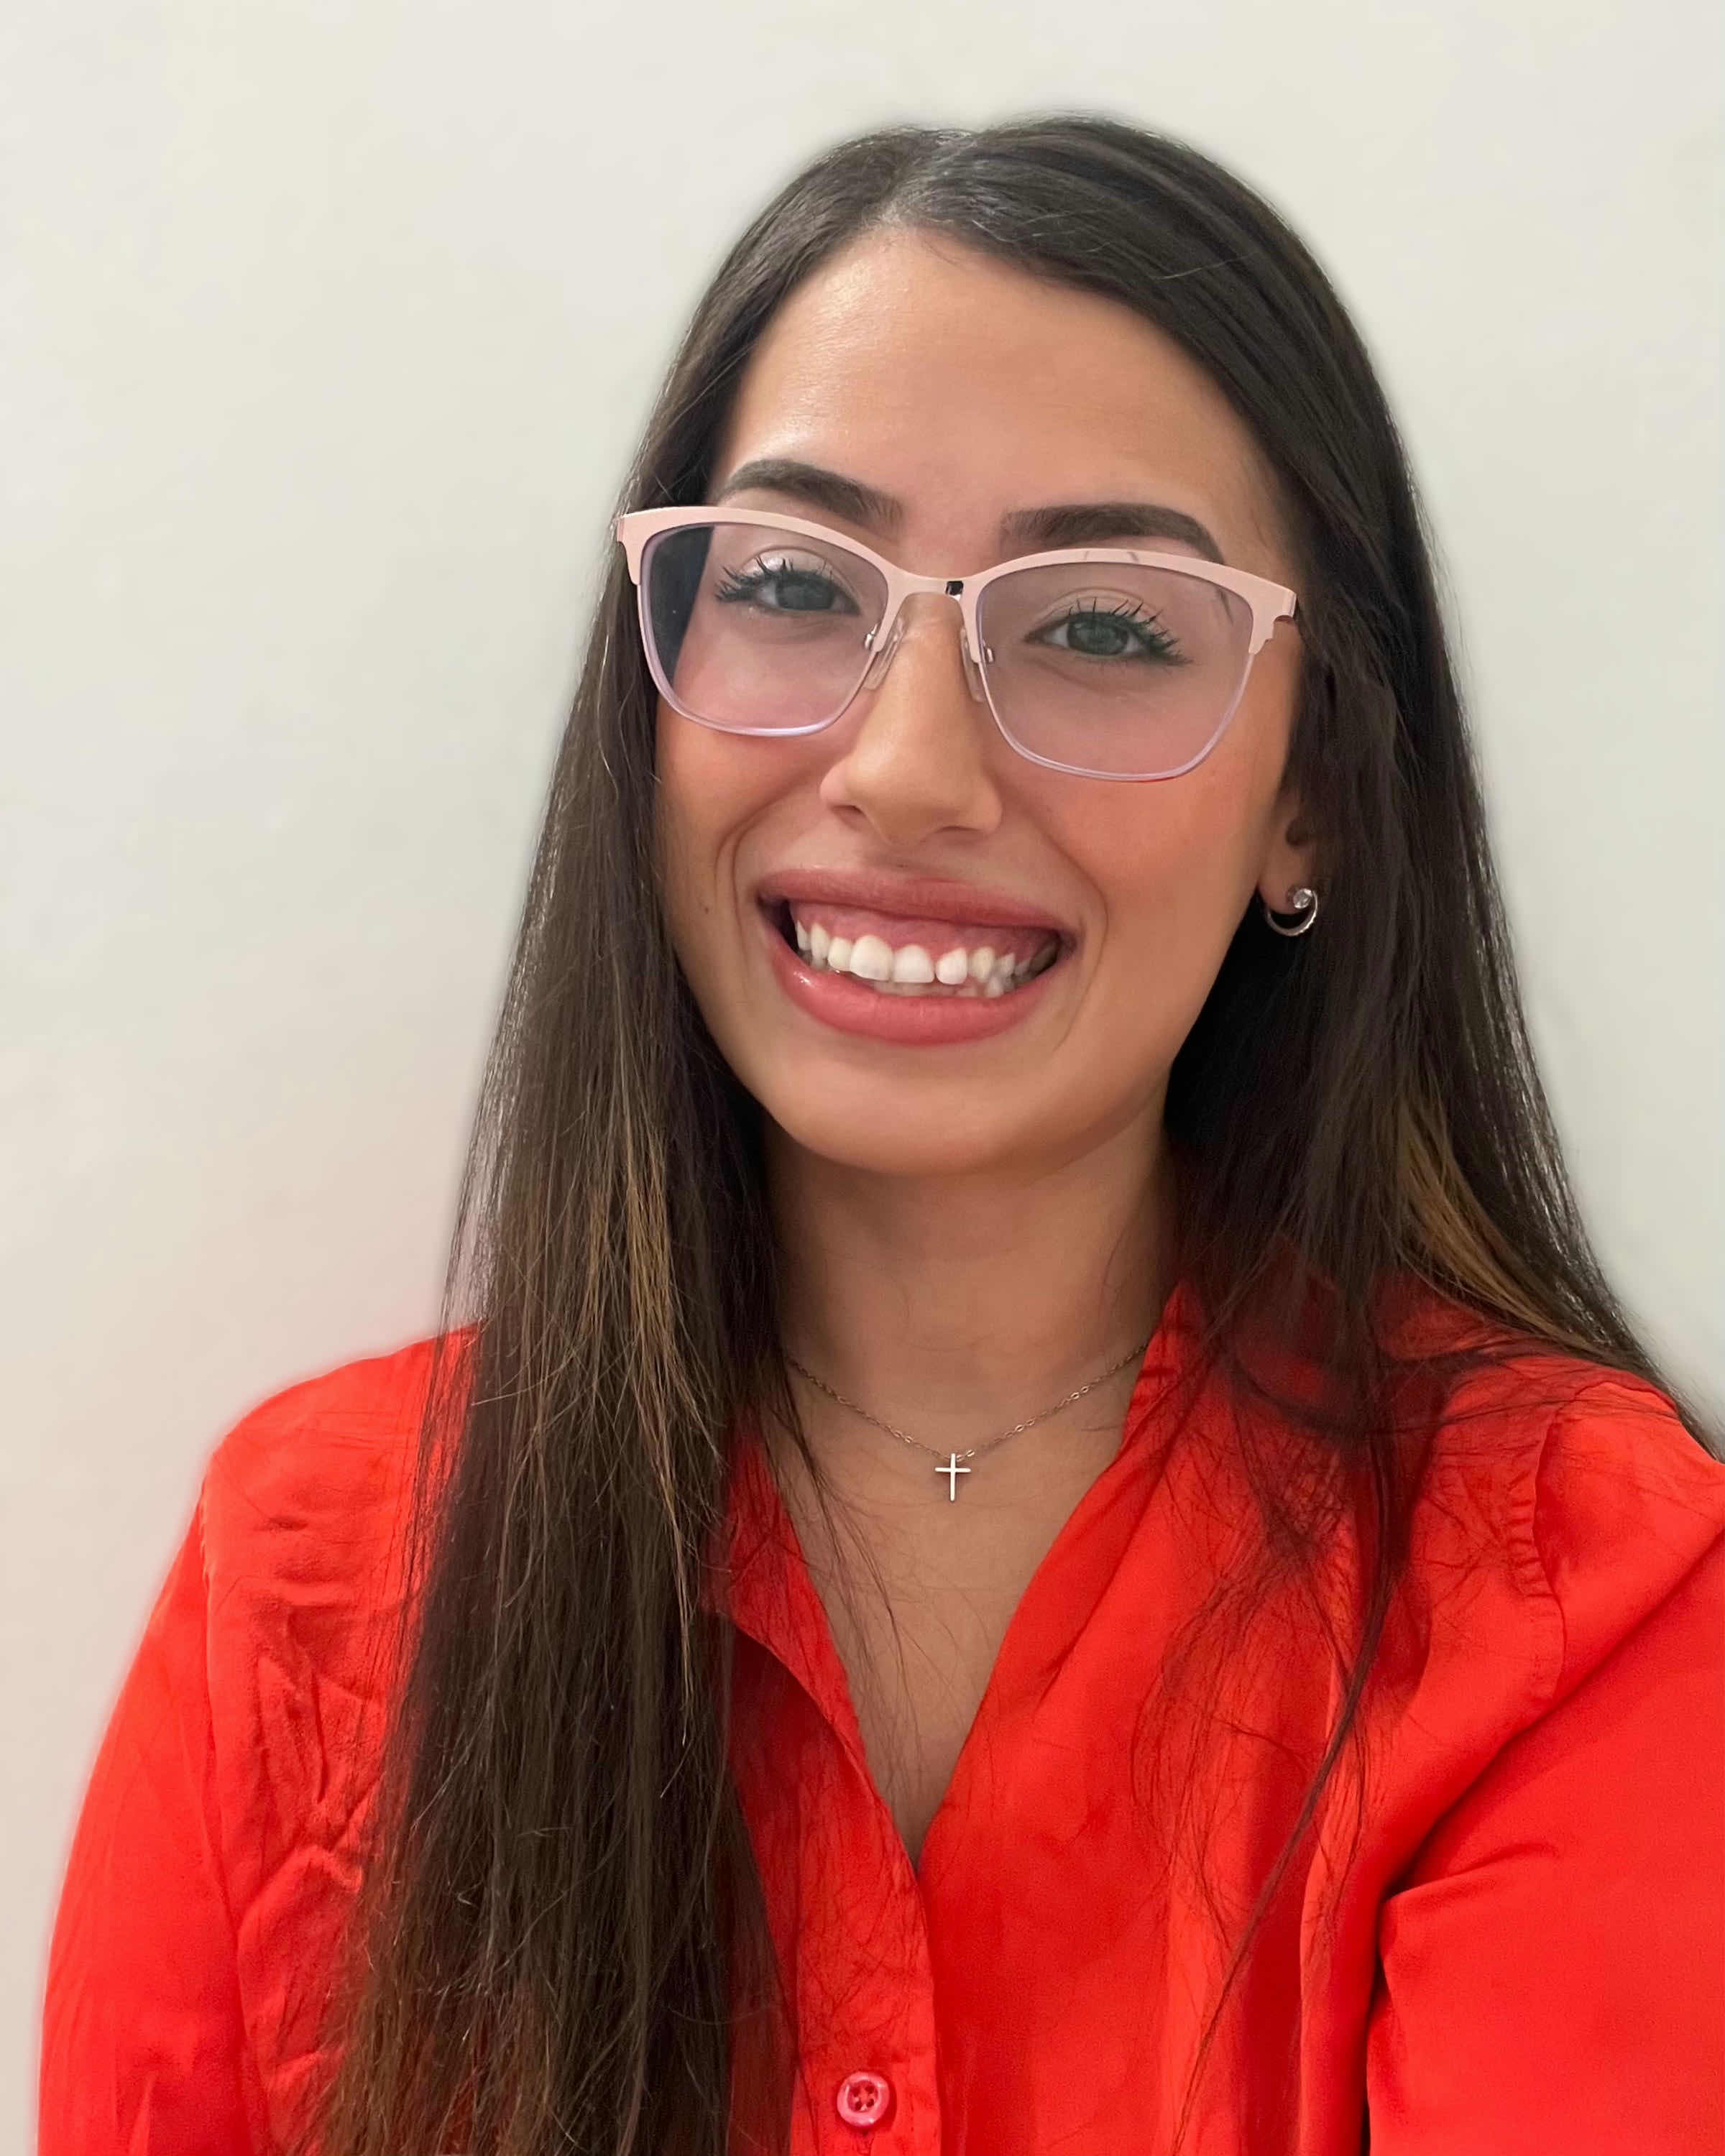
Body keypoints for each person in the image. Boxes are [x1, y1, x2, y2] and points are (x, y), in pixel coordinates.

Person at [39, 117, 1725, 2156]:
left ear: (1317, 798)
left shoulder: (1581, 1595)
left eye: (1105, 625)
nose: (910, 768)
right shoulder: (303, 1578)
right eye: (787, 586)